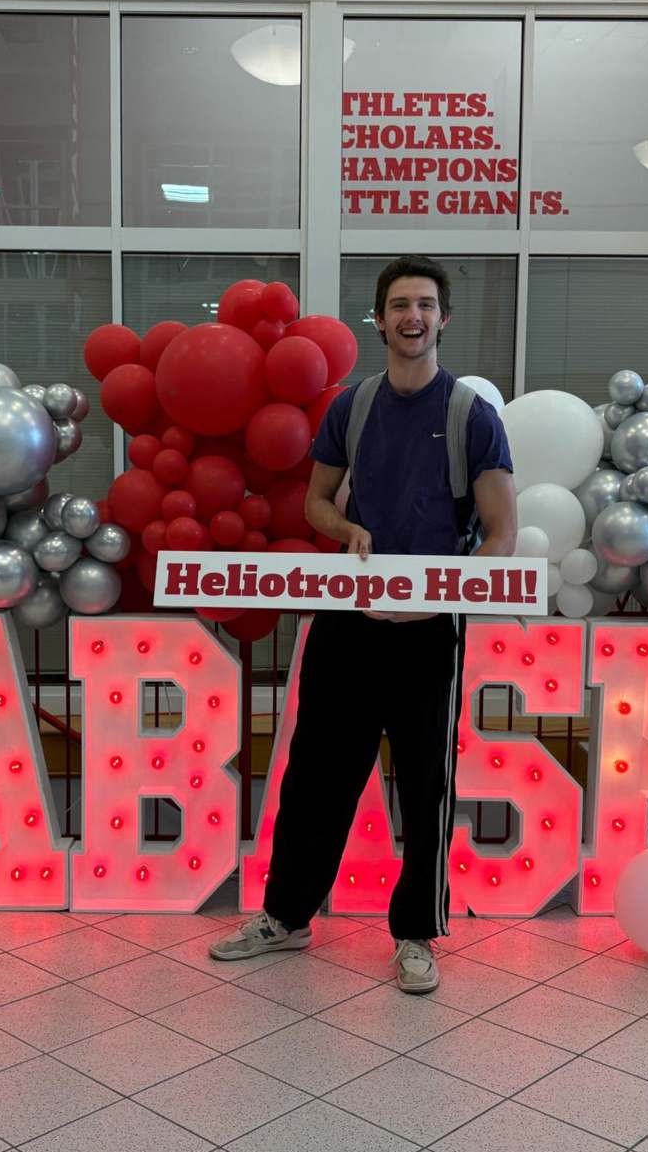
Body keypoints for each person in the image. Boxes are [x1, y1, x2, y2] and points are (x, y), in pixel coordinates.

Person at [209, 254, 516, 993]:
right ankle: (286, 916)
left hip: (428, 630)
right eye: (400, 305)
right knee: (315, 774)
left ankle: (415, 934)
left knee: (426, 783)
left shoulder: (471, 415)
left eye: (426, 304)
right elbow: (316, 503)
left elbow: (502, 535)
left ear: (444, 319)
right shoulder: (353, 406)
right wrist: (344, 529)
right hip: (349, 618)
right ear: (379, 320)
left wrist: (437, 599)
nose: (413, 316)